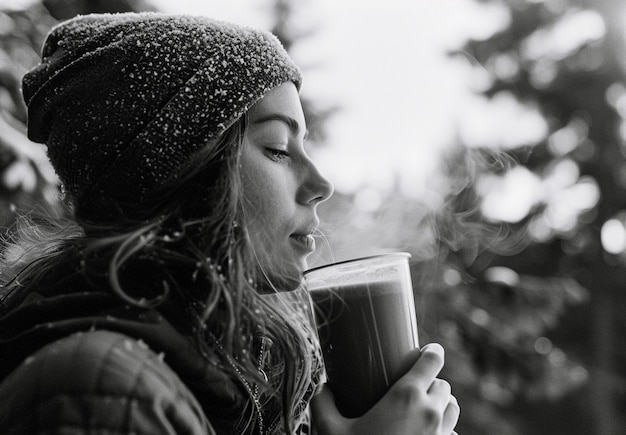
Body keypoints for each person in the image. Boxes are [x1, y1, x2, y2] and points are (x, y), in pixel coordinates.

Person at [0, 12, 459, 435]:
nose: (322, 182)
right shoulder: (94, 390)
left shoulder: (234, 387)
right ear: (183, 170)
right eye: (278, 148)